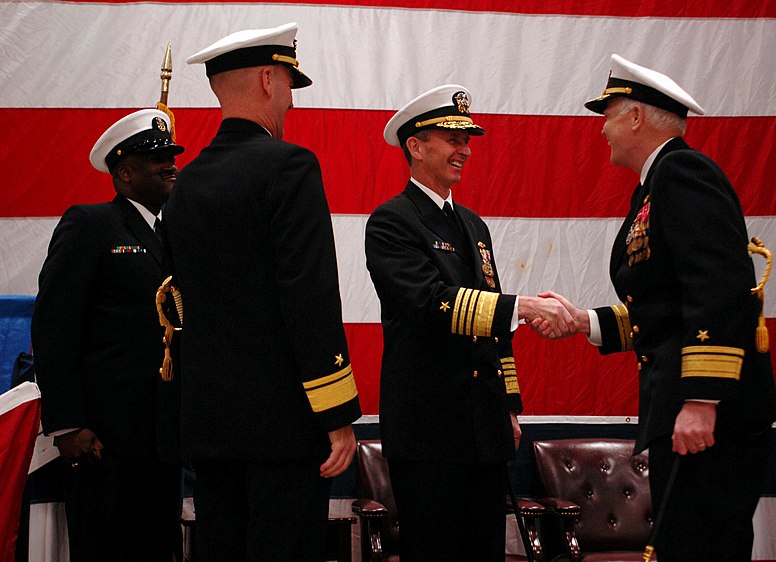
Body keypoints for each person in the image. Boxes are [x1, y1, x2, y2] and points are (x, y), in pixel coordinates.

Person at [539, 54, 776, 561]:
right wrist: (585, 322)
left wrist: (702, 400)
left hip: (709, 414)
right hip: (686, 407)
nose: (602, 130)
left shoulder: (682, 172)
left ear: (635, 116)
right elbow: (668, 307)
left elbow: (717, 289)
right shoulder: (655, 185)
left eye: (607, 115)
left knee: (699, 547)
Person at [161, 23, 362, 561]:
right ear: (270, 80)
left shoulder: (185, 185)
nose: (292, 102)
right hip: (283, 426)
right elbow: (310, 297)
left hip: (208, 423)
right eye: (291, 85)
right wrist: (336, 412)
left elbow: (179, 306)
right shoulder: (290, 166)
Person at [364, 84, 574, 561]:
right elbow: (431, 304)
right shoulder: (391, 222)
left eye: (468, 140)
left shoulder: (474, 226)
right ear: (415, 147)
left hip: (485, 427)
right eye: (451, 138)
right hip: (428, 430)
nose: (465, 150)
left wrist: (511, 404)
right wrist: (522, 306)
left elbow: (491, 321)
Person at [31, 108, 185, 562]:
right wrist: (67, 423)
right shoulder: (92, 225)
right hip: (103, 437)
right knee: (106, 546)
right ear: (123, 174)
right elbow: (54, 325)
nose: (170, 164)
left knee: (158, 545)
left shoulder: (176, 232)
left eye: (171, 155)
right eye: (155, 158)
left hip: (162, 432)